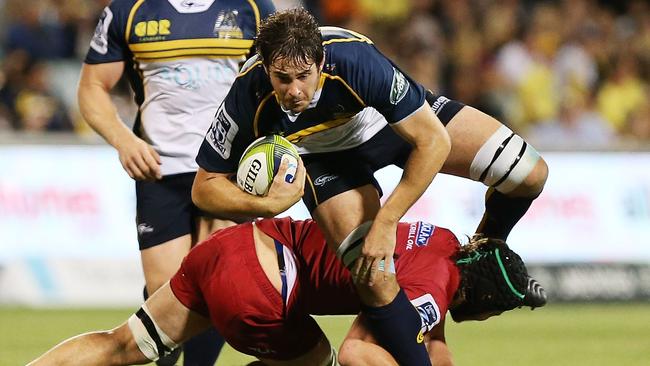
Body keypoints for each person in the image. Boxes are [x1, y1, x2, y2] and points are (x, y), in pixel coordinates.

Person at [191, 8, 548, 364]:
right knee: (374, 277)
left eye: (304, 75)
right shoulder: (248, 91)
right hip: (322, 158)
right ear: (265, 67)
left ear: (321, 60)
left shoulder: (354, 59)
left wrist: (387, 221)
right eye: (282, 78)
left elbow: (433, 142)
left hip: (392, 128)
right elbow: (204, 187)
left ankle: (481, 251)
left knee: (531, 175)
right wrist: (267, 206)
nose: (295, 90)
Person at [27, 217, 547, 366]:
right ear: (480, 303)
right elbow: (361, 349)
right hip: (265, 278)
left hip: (235, 242)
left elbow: (428, 343)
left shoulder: (443, 245)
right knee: (318, 356)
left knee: (124, 345)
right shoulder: (434, 287)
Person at [77, 1, 275, 364]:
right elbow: (92, 86)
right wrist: (124, 140)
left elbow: (277, 81)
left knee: (218, 287)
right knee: (167, 296)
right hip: (160, 169)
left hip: (225, 170)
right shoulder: (130, 10)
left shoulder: (252, 7)